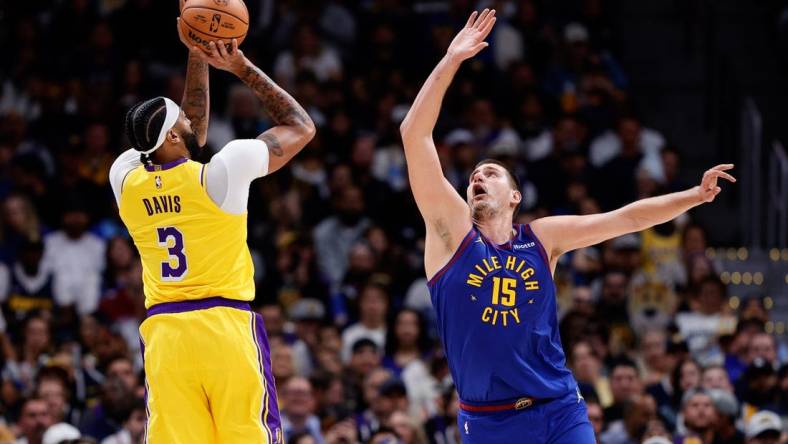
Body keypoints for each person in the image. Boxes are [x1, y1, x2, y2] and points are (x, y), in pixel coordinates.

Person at [398, 8, 736, 443]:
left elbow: (625, 219)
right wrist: (451, 60)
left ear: (515, 196)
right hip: (489, 420)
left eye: (492, 173)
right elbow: (414, 133)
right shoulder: (450, 235)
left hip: (560, 408)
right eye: (474, 176)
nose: (478, 177)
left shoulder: (542, 238)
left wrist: (694, 195)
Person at [107, 21, 315, 443]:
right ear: (170, 136)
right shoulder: (222, 174)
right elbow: (300, 126)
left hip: (165, 337)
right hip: (224, 328)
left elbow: (186, 138)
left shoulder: (123, 179)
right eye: (180, 116)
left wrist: (197, 53)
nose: (190, 116)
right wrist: (239, 66)